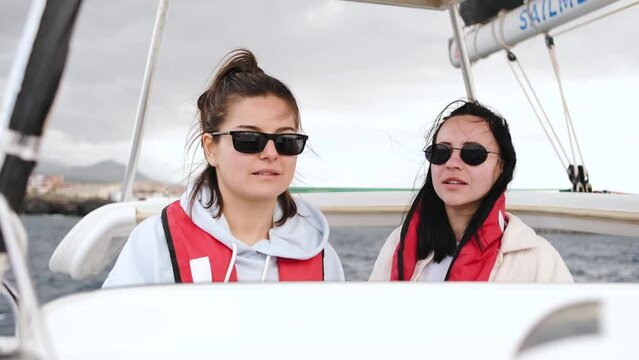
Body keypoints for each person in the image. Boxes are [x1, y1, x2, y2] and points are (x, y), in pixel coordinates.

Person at [104, 49, 344, 286]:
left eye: (286, 141)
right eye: (249, 139)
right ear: (211, 148)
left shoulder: (322, 257)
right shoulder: (155, 245)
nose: (271, 153)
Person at [370, 100, 572, 282]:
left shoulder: (539, 260)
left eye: (473, 154)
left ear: (502, 168)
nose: (452, 163)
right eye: (441, 152)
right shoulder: (399, 243)